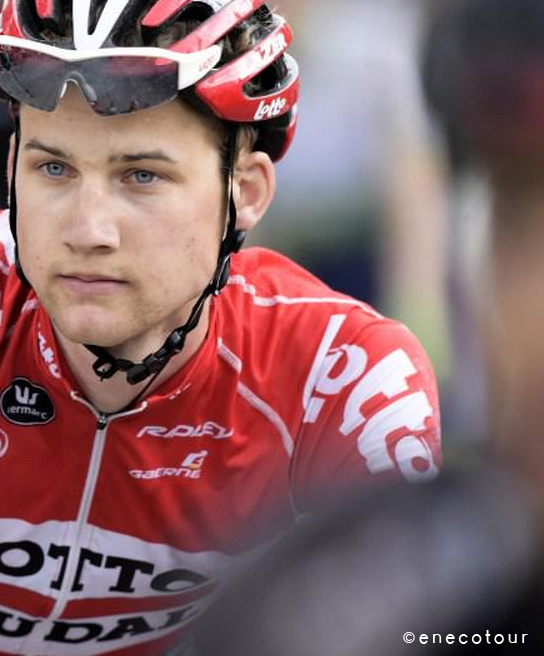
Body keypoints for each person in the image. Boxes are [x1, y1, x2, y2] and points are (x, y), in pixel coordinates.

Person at [0, 1, 442, 654]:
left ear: (245, 192)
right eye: (54, 168)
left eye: (141, 176)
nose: (88, 229)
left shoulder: (344, 378)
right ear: (11, 171)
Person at [187, 1, 544, 654]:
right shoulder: (319, 604)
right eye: (523, 215)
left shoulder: (371, 49)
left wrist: (418, 317)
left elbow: (412, 190)